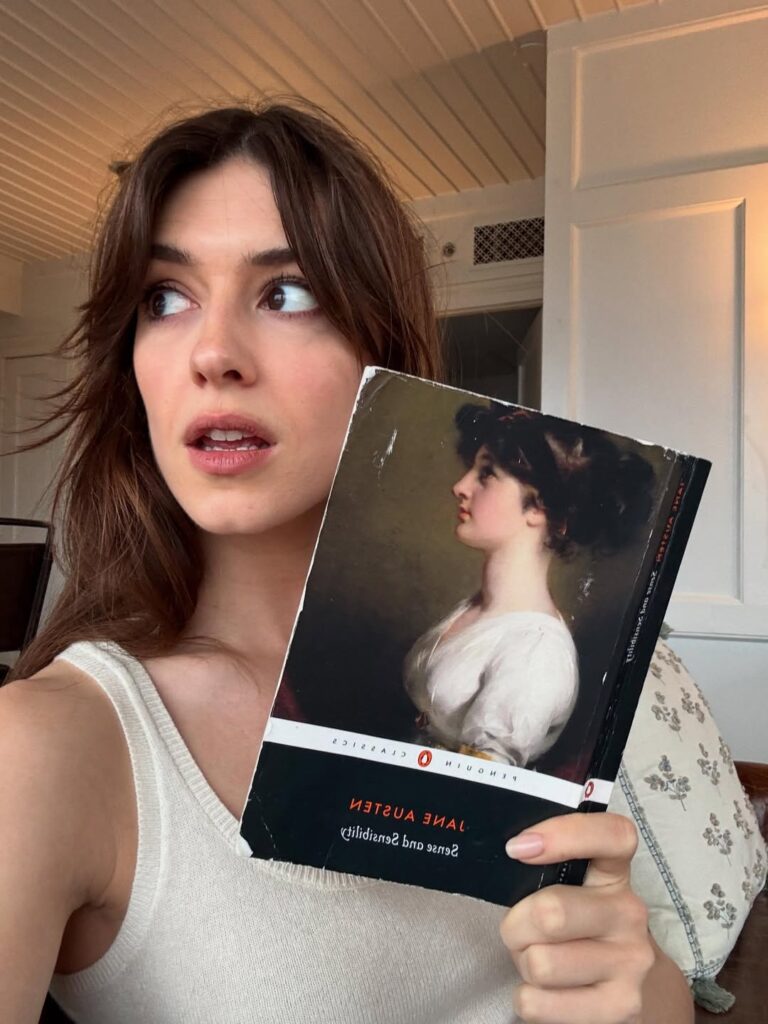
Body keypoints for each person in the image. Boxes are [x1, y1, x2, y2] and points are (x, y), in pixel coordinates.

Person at [0, 100, 694, 1023]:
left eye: (286, 292)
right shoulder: (44, 746)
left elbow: (645, 994)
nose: (213, 353)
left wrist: (635, 982)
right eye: (164, 297)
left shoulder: (501, 661)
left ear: (382, 351)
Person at [404, 404, 654, 768]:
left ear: (539, 506)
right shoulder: (479, 607)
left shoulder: (535, 651)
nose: (459, 487)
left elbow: (481, 781)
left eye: (486, 474)